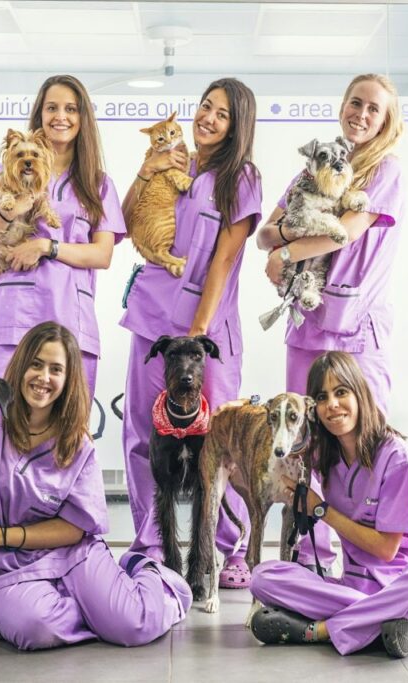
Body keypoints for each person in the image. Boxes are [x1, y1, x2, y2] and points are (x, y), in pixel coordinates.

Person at [0, 322, 191, 651]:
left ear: (67, 379)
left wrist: (2, 535)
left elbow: (77, 529)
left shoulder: (76, 442)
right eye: (36, 364)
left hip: (72, 554)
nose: (43, 377)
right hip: (6, 565)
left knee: (134, 625)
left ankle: (144, 571)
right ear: (21, 366)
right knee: (35, 630)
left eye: (56, 369)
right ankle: (94, 610)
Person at [256, 74, 405, 571]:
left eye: (373, 109)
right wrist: (277, 244)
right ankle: (305, 561)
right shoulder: (312, 167)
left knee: (362, 446)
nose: (361, 114)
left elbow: (345, 232)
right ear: (342, 106)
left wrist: (286, 250)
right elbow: (263, 233)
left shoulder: (384, 172)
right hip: (308, 324)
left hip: (358, 329)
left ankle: (370, 566)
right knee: (301, 446)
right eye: (355, 103)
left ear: (385, 121)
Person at [118, 78, 261, 587]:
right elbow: (126, 218)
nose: (208, 118)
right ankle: (151, 544)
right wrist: (146, 169)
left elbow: (225, 258)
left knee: (220, 441)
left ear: (237, 124)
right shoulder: (175, 162)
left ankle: (228, 548)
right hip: (152, 319)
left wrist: (198, 334)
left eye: (222, 113)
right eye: (205, 106)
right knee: (140, 433)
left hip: (206, 330)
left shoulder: (240, 177)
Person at [247, 351, 408, 658]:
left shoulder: (396, 457)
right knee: (264, 577)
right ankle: (390, 625)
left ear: (360, 394)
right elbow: (291, 440)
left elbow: (385, 550)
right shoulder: (325, 459)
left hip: (407, 585)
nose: (332, 404)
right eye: (322, 396)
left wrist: (321, 510)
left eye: (341, 392)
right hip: (358, 588)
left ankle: (320, 630)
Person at [0, 74, 125, 397]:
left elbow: (101, 255)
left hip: (70, 316)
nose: (60, 117)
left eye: (71, 109)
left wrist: (44, 246)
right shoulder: (5, 172)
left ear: (83, 119)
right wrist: (7, 213)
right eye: (52, 108)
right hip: (12, 314)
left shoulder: (98, 184)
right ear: (40, 114)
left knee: (66, 429)